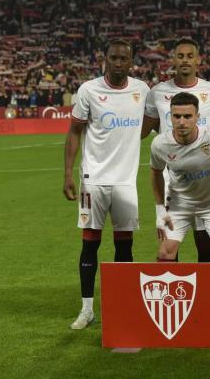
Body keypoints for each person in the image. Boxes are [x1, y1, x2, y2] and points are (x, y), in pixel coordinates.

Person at [63, 39, 149, 329]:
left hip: (126, 182)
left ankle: (122, 306)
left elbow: (153, 123)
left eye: (123, 58)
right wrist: (67, 175)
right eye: (113, 57)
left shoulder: (142, 90)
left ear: (131, 62)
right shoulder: (88, 90)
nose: (118, 63)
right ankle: (87, 310)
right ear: (105, 58)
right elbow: (75, 132)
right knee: (90, 245)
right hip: (93, 181)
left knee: (124, 247)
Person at [143, 37, 210, 262]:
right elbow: (145, 129)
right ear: (173, 59)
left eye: (189, 56)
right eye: (180, 56)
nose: (184, 60)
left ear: (198, 60)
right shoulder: (158, 92)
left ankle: (207, 292)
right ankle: (177, 289)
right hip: (170, 175)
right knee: (169, 243)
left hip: (204, 177)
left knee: (204, 242)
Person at [150, 92, 210, 263]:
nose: (182, 122)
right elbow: (155, 173)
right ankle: (169, 289)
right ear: (170, 117)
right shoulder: (160, 144)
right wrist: (160, 208)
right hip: (179, 203)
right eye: (177, 116)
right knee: (165, 253)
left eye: (187, 116)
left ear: (197, 117)